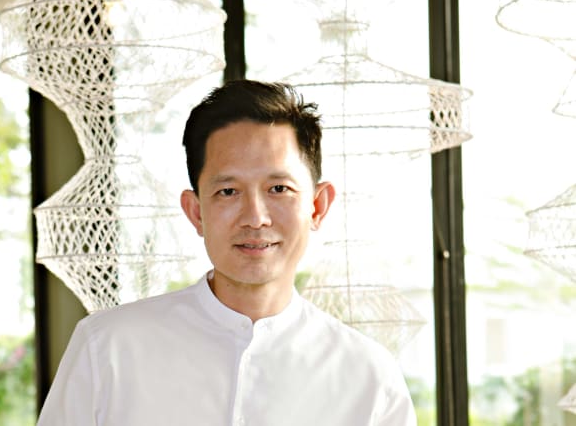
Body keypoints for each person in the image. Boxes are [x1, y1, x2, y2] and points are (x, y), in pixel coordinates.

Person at [37, 79, 417, 425]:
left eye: (279, 189)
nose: (255, 217)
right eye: (228, 191)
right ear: (196, 212)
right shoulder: (107, 348)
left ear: (317, 206)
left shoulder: (370, 378)